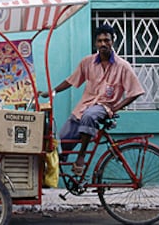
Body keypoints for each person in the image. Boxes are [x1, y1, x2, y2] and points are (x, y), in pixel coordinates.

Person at [42, 24, 144, 176]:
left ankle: (81, 157)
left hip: (103, 107)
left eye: (106, 40)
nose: (103, 44)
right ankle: (58, 172)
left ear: (113, 41)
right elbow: (72, 80)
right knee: (61, 141)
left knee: (90, 115)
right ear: (95, 43)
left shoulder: (123, 66)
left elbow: (136, 91)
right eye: (100, 41)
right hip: (83, 108)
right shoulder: (87, 62)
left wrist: (116, 108)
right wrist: (52, 92)